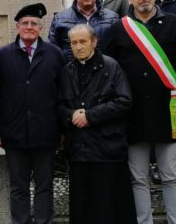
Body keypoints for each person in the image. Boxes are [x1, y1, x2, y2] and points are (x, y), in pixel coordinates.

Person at [105, 0, 176, 224]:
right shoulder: (119, 28)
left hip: (169, 113)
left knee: (172, 175)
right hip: (132, 114)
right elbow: (108, 70)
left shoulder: (175, 24)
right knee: (137, 177)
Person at [0, 3, 65, 224]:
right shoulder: (3, 55)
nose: (29, 27)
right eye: (25, 23)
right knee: (19, 187)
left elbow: (63, 93)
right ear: (17, 26)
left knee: (45, 186)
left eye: (34, 23)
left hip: (46, 132)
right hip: (14, 133)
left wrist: (62, 129)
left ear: (41, 27)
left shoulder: (54, 54)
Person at [58, 24, 136, 223]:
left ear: (94, 42)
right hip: (79, 151)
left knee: (107, 208)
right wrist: (71, 115)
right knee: (82, 208)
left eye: (83, 41)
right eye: (74, 43)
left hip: (106, 150)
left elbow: (124, 101)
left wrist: (90, 116)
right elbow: (58, 105)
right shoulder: (67, 71)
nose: (78, 47)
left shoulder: (111, 66)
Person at [48, 0, 119, 61]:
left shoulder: (112, 18)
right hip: (71, 71)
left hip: (104, 71)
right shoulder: (60, 19)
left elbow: (119, 49)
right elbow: (52, 50)